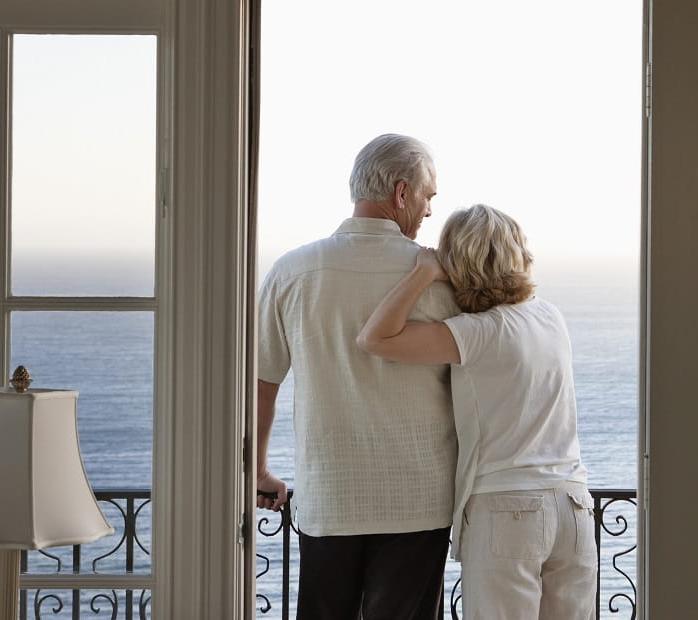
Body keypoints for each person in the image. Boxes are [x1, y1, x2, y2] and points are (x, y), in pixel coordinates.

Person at [255, 134, 460, 619]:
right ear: (402, 192)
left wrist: (256, 470)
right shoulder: (437, 275)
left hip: (330, 496)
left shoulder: (292, 271)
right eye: (429, 197)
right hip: (419, 498)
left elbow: (262, 382)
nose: (430, 212)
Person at [357, 204, 595, 619]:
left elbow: (374, 338)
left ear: (457, 262)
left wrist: (424, 272)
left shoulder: (476, 334)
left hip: (509, 509)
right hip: (574, 505)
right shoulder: (550, 317)